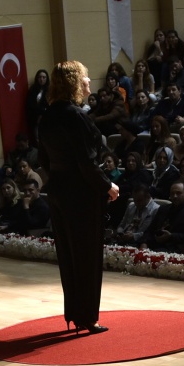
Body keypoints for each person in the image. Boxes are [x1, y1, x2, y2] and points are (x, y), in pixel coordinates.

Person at [38, 61, 116, 332]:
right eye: (84, 78)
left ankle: (73, 312)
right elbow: (87, 162)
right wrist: (108, 185)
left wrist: (58, 180)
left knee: (68, 254)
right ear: (74, 83)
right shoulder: (76, 116)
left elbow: (43, 160)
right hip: (81, 193)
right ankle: (87, 317)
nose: (88, 83)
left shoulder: (46, 116)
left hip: (57, 190)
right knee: (86, 254)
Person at [147, 181, 184, 253]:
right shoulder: (163, 209)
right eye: (172, 193)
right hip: (156, 246)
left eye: (178, 193)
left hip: (178, 250)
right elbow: (150, 230)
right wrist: (144, 243)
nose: (175, 196)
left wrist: (171, 236)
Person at [110, 183, 158, 247]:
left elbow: (149, 233)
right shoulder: (131, 205)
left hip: (138, 242)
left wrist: (134, 236)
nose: (136, 203)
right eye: (134, 200)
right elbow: (122, 225)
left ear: (148, 197)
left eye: (139, 200)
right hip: (123, 239)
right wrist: (120, 233)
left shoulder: (155, 209)